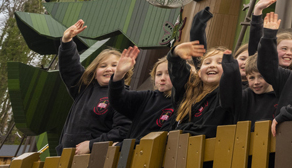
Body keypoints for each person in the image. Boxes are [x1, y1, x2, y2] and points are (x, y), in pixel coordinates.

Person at [56, 20, 132, 154]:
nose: (108, 69)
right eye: (103, 66)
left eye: (115, 65)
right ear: (94, 73)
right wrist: (67, 41)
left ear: (124, 70)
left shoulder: (123, 97)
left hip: (96, 158)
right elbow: (70, 68)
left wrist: (92, 145)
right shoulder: (84, 89)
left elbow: (123, 129)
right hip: (65, 155)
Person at [109, 43, 200, 141]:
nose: (162, 78)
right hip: (130, 150)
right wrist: (118, 75)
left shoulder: (184, 102)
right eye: (159, 74)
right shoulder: (147, 97)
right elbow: (118, 99)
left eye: (169, 73)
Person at [172, 47, 234, 136]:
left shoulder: (226, 96)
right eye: (207, 62)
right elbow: (178, 76)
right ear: (199, 72)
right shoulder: (189, 96)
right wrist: (175, 55)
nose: (212, 65)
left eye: (220, 62)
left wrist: (181, 130)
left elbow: (209, 127)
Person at [220, 52, 277, 124]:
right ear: (247, 78)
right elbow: (227, 101)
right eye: (252, 78)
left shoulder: (280, 96)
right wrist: (230, 73)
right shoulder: (245, 96)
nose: (256, 82)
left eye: (261, 76)